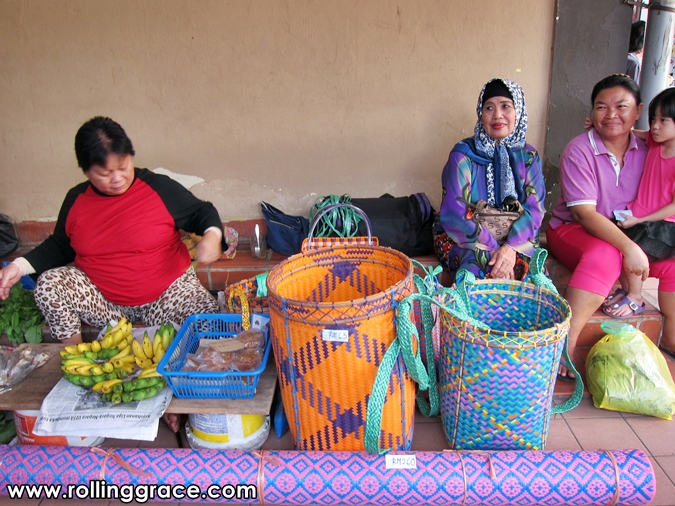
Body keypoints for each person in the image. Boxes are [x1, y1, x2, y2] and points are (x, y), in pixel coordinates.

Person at [0, 117, 223, 430]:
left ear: (130, 156)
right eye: (104, 173)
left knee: (210, 320)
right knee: (49, 285)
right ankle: (79, 367)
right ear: (87, 171)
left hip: (167, 292)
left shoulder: (158, 187)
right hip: (107, 305)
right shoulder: (77, 200)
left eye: (123, 166)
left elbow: (202, 212)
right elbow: (59, 248)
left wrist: (212, 235)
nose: (117, 178)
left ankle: (181, 402)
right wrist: (18, 266)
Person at [547, 74, 675, 381]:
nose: (611, 114)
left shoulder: (650, 148)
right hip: (572, 230)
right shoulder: (580, 149)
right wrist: (628, 247)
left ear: (639, 110)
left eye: (622, 106)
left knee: (672, 264)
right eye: (602, 107)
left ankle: (670, 336)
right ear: (591, 114)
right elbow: (584, 214)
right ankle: (565, 342)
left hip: (629, 230)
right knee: (606, 255)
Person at [433, 78, 546, 282]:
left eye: (506, 106)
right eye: (489, 108)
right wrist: (495, 250)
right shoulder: (463, 156)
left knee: (533, 273)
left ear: (518, 111)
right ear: (481, 113)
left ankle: (516, 313)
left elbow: (535, 210)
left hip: (517, 239)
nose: (497, 115)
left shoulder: (528, 157)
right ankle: (468, 311)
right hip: (465, 238)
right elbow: (454, 213)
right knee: (481, 263)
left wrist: (510, 249)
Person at [604, 87, 675, 320]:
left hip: (662, 223)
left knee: (636, 248)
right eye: (653, 119)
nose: (655, 126)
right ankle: (626, 289)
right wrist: (604, 124)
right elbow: (637, 132)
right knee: (615, 242)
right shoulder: (656, 141)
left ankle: (636, 296)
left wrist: (641, 219)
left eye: (663, 120)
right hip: (638, 212)